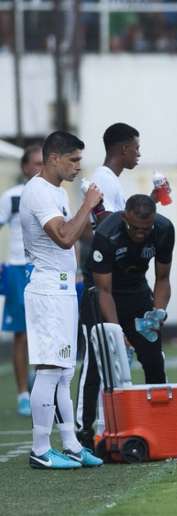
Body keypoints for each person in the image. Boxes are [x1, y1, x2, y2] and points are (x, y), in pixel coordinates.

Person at [21, 131, 103, 469]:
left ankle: (70, 444)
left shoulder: (58, 190)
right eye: (73, 160)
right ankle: (40, 449)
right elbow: (65, 237)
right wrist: (87, 205)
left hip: (65, 288)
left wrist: (94, 214)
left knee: (65, 370)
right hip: (47, 290)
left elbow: (78, 230)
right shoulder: (38, 192)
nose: (78, 167)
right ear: (54, 157)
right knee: (50, 369)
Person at [75, 195, 174, 448]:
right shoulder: (107, 235)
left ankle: (159, 423)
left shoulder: (163, 230)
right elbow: (103, 291)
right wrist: (118, 333)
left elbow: (162, 279)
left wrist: (158, 311)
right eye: (135, 228)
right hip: (101, 294)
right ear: (124, 218)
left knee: (153, 357)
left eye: (146, 229)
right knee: (99, 361)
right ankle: (84, 432)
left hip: (137, 291)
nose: (141, 234)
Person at [75, 122, 141, 447]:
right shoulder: (102, 180)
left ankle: (103, 425)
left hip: (113, 280)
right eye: (136, 148)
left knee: (110, 353)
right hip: (99, 279)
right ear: (123, 149)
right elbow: (96, 230)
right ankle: (83, 428)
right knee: (95, 355)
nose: (139, 154)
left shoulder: (111, 182)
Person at [0, 145, 42, 416]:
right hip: (17, 269)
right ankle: (22, 395)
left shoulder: (54, 194)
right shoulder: (12, 197)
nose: (39, 168)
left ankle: (40, 383)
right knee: (22, 335)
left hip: (44, 270)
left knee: (45, 332)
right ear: (25, 167)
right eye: (35, 163)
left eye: (43, 163)